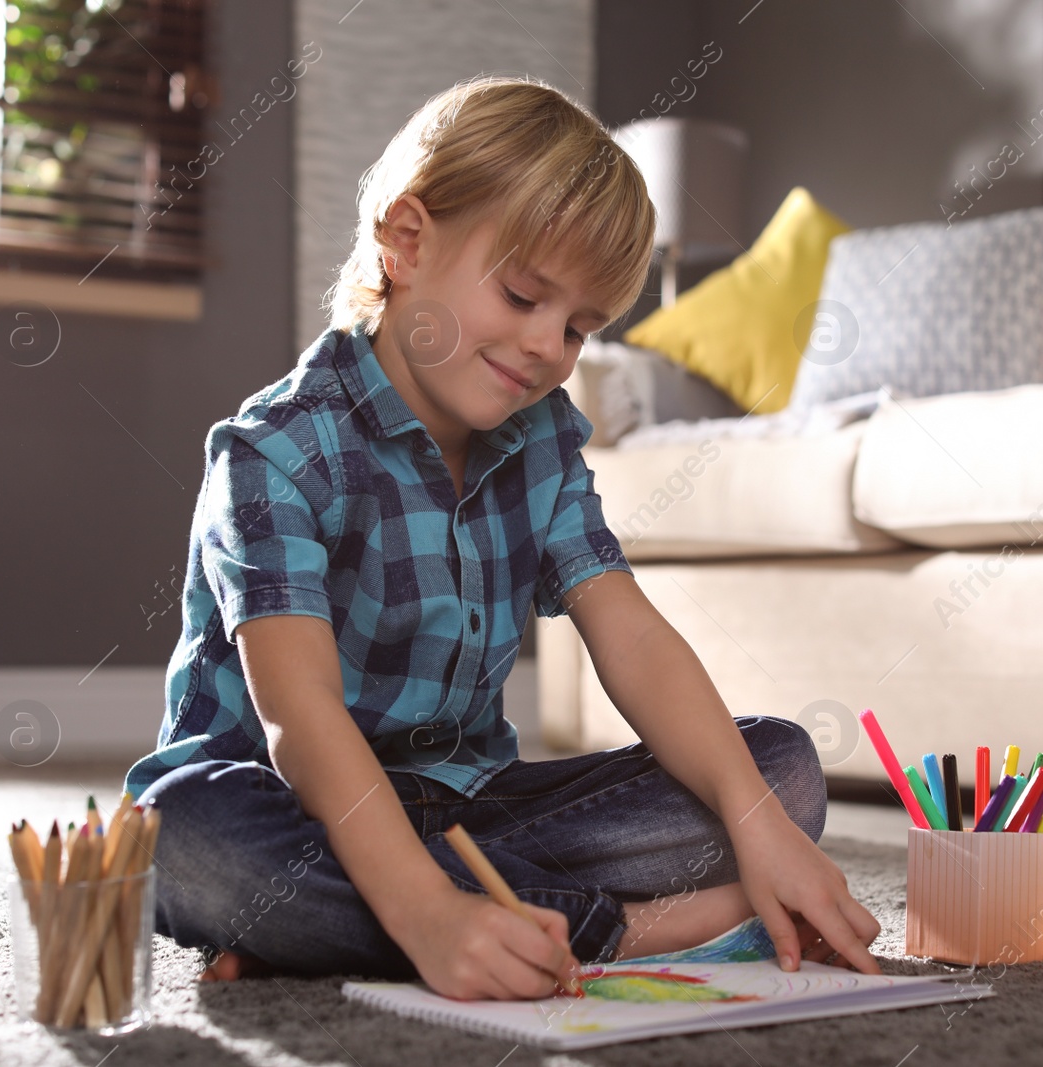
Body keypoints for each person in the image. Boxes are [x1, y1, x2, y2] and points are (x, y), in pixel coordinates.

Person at [125, 74, 880, 1000]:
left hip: (472, 814)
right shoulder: (274, 451)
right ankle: (606, 927)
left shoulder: (544, 440)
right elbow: (300, 718)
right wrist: (428, 911)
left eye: (577, 327)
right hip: (291, 799)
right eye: (523, 295)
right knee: (181, 838)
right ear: (406, 242)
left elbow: (632, 637)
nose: (545, 347)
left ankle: (337, 930)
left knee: (778, 771)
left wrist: (755, 816)